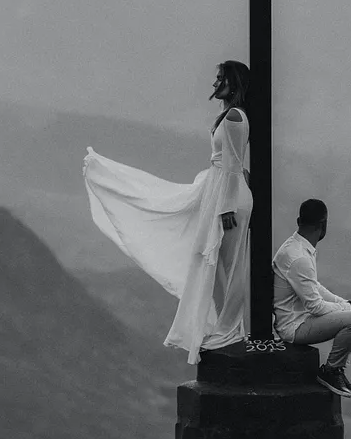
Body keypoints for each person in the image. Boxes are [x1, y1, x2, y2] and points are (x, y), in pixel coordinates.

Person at [83, 60, 252, 364]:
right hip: (219, 191)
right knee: (211, 260)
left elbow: (234, 164)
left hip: (228, 197)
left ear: (234, 82)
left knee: (228, 262)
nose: (215, 84)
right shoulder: (227, 116)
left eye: (220, 79)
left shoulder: (236, 117)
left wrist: (227, 205)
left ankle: (231, 330)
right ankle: (226, 327)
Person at [272, 198, 351, 398]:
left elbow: (314, 287)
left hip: (301, 318)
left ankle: (338, 369)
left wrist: (346, 304)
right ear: (323, 225)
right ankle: (331, 371)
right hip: (293, 327)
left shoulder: (298, 247)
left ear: (299, 221)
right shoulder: (299, 258)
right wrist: (348, 309)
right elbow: (315, 306)